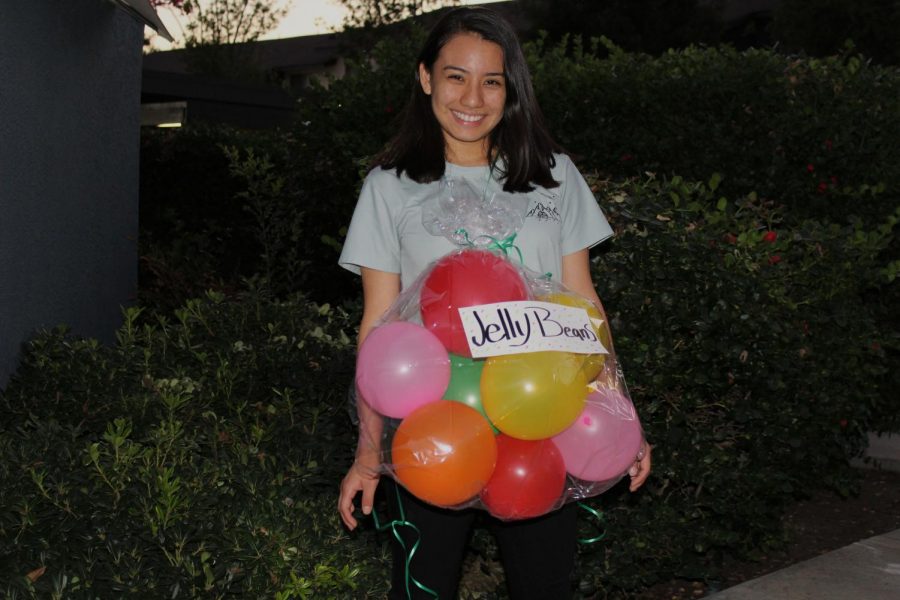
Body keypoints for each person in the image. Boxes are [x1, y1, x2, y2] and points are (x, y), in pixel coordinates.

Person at [337, 7, 651, 599]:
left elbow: (583, 302)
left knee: (545, 588)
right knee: (421, 589)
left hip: (541, 423)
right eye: (455, 76)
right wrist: (368, 450)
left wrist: (618, 414)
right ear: (426, 77)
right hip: (431, 429)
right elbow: (379, 328)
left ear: (511, 91)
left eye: (492, 81)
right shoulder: (389, 186)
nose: (472, 98)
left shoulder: (553, 177)